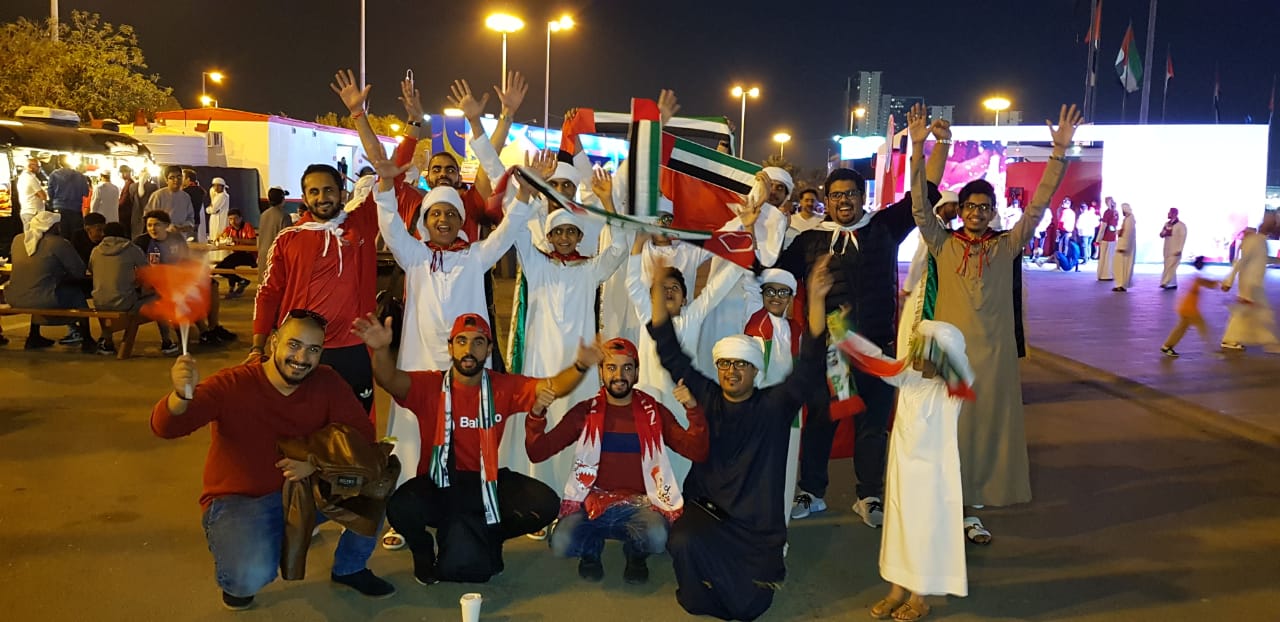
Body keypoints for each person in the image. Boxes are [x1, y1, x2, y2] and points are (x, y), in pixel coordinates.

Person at [910, 104, 1082, 544]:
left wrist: (1059, 152)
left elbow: (1039, 206)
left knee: (985, 434)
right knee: (947, 431)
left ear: (992, 212)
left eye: (984, 207)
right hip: (950, 358)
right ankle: (942, 504)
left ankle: (972, 509)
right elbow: (920, 208)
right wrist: (918, 148)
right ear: (961, 209)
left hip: (994, 357)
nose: (976, 213)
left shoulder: (1007, 246)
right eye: (970, 206)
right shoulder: (942, 243)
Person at [774, 102, 946, 531]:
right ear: (827, 201)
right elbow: (769, 270)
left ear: (861, 196)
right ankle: (811, 491)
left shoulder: (883, 228)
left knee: (872, 426)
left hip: (876, 349)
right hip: (826, 351)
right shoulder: (810, 240)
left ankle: (869, 494)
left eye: (850, 194)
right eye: (836, 196)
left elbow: (925, 191)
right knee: (821, 422)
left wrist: (929, 145)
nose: (844, 201)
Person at [151, 310, 395, 611]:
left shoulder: (327, 381)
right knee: (248, 577)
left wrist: (315, 459)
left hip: (307, 490)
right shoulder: (233, 383)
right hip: (242, 499)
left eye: (313, 349)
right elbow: (165, 428)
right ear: (274, 342)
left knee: (377, 479)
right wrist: (179, 396)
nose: (302, 358)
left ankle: (350, 567)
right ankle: (243, 568)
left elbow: (362, 435)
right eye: (294, 345)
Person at [351, 311, 600, 585]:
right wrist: (381, 350)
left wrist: (580, 365)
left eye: (478, 342)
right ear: (450, 347)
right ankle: (423, 552)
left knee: (545, 503)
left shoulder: (503, 386)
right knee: (399, 507)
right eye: (462, 341)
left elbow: (552, 387)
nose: (469, 349)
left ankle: (490, 536)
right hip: (439, 483)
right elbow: (388, 379)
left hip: (486, 482)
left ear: (489, 349)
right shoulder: (430, 385)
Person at [653, 254, 832, 622]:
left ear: (754, 371)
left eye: (741, 364)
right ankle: (703, 584)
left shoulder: (774, 407)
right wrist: (657, 292)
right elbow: (671, 352)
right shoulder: (709, 397)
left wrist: (815, 300)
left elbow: (811, 361)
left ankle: (725, 580)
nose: (731, 371)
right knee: (684, 550)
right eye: (725, 364)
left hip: (756, 530)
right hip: (710, 513)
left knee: (748, 609)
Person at [525, 338, 708, 584]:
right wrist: (537, 414)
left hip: (639, 506)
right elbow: (538, 452)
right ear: (601, 372)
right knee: (561, 542)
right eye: (611, 367)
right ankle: (591, 552)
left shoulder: (653, 412)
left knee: (657, 537)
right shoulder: (584, 412)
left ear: (637, 373)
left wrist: (693, 409)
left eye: (627, 368)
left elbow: (696, 451)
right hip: (592, 504)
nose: (619, 375)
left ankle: (635, 554)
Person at [501, 167, 631, 496]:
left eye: (571, 232)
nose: (564, 238)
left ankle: (576, 496)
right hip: (541, 364)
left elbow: (619, 248)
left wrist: (608, 202)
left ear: (579, 237)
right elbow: (515, 230)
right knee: (538, 425)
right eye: (557, 232)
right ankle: (536, 496)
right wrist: (530, 190)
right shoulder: (536, 264)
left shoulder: (589, 269)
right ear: (549, 236)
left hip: (579, 370)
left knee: (578, 432)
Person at [846, 321, 975, 622]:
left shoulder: (951, 389)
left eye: (922, 350)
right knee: (899, 529)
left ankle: (920, 598)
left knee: (923, 532)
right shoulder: (909, 376)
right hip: (902, 473)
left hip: (933, 478)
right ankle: (896, 591)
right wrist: (845, 335)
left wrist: (937, 345)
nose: (915, 356)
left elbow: (962, 374)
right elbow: (877, 361)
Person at [743, 269, 810, 524]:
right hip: (761, 413)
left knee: (786, 471)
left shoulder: (796, 329)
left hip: (789, 414)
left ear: (791, 297)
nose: (776, 297)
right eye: (770, 291)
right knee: (758, 473)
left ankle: (779, 530)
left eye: (783, 292)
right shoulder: (755, 325)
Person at [136, 210, 235, 352]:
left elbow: (185, 259)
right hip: (159, 284)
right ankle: (204, 331)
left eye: (157, 225)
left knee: (210, 284)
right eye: (149, 225)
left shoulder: (175, 238)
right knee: (184, 295)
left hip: (179, 277)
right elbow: (146, 269)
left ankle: (213, 327)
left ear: (166, 226)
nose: (152, 228)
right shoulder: (144, 243)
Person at [6, 211, 95, 352]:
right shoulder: (59, 243)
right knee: (76, 294)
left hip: (14, 296)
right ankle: (87, 338)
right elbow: (78, 270)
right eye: (57, 225)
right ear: (52, 227)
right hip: (45, 298)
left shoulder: (18, 240)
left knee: (36, 286)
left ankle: (34, 336)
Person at [897, 192, 959, 359]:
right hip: (926, 287)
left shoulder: (944, 228)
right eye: (953, 205)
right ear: (942, 206)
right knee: (917, 326)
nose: (956, 208)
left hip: (939, 286)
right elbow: (920, 258)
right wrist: (908, 287)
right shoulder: (934, 228)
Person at [1220, 214, 1280, 353]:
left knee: (1247, 312)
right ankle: (1269, 343)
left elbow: (1262, 258)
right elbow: (1241, 261)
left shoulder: (1260, 240)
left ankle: (1230, 340)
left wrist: (1277, 261)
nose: (1276, 227)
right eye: (1274, 224)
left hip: (1254, 283)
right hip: (1250, 283)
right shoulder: (1254, 240)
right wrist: (1228, 281)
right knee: (1257, 311)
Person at [89, 222, 151, 354]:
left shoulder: (96, 251)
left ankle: (107, 341)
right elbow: (147, 272)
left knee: (107, 296)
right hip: (125, 302)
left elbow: (91, 270)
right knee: (157, 297)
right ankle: (167, 341)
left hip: (99, 302)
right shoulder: (132, 249)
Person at [1160, 256, 1219, 357]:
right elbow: (1210, 284)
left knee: (1181, 329)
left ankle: (1166, 346)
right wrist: (1222, 282)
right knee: (1204, 328)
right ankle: (1213, 350)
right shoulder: (1198, 277)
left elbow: (1208, 283)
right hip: (1190, 310)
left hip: (1184, 307)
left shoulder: (1194, 275)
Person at [214, 209, 258, 297]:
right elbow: (221, 238)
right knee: (222, 267)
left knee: (225, 265)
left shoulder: (247, 226)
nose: (233, 221)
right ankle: (240, 282)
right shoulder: (228, 229)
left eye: (235, 218)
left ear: (241, 218)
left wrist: (237, 240)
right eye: (230, 219)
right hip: (236, 255)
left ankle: (237, 284)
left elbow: (253, 242)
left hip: (249, 255)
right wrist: (219, 239)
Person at [144, 166, 197, 240]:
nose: (176, 180)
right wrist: (165, 227)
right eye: (172, 177)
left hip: (180, 238)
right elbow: (149, 217)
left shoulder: (186, 197)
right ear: (166, 180)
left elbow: (190, 218)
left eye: (179, 177)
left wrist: (182, 227)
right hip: (160, 238)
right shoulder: (158, 195)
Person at [46, 155, 90, 241]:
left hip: (59, 209)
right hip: (75, 209)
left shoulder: (54, 175)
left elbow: (50, 192)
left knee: (61, 235)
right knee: (76, 236)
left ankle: (63, 249)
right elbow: (86, 193)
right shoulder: (80, 176)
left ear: (59, 162)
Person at [256, 187, 290, 279]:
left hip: (263, 256)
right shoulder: (284, 216)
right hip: (276, 257)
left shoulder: (263, 215)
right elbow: (287, 240)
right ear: (282, 199)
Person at [1159, 207, 1188, 289]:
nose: (1168, 214)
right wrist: (1163, 233)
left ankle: (1165, 282)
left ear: (1174, 214)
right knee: (1168, 266)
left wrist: (1179, 249)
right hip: (1167, 249)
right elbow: (1161, 234)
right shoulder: (1167, 224)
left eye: (1170, 212)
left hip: (1175, 249)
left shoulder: (1181, 225)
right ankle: (1172, 283)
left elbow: (1182, 238)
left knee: (1171, 266)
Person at [1113, 202, 1137, 292]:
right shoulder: (1127, 219)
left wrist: (1124, 246)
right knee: (1119, 265)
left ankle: (1122, 284)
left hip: (1125, 246)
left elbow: (1128, 234)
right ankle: (1120, 284)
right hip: (1123, 244)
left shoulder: (1130, 219)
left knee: (1123, 265)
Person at [17, 158, 46, 231]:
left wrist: (38, 194)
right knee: (34, 236)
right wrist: (42, 193)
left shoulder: (22, 177)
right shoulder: (31, 178)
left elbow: (34, 193)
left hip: (26, 211)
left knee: (28, 236)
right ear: (31, 166)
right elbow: (43, 196)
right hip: (33, 212)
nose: (39, 168)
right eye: (38, 166)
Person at [206, 177, 231, 259]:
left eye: (218, 185)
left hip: (220, 221)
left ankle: (220, 259)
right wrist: (210, 209)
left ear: (222, 186)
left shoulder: (222, 196)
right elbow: (212, 209)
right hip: (214, 220)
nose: (216, 188)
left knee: (220, 240)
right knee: (213, 239)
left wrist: (208, 209)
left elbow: (213, 209)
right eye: (214, 185)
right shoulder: (216, 196)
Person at [1096, 197, 1119, 280]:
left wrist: (1098, 239)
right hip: (1113, 237)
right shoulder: (1116, 213)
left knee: (1104, 257)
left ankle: (1103, 274)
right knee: (1111, 257)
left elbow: (1103, 227)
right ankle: (1110, 274)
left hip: (1106, 238)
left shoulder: (1107, 212)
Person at [183, 169, 208, 242]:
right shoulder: (199, 190)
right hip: (196, 220)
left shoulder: (186, 191)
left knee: (188, 243)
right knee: (193, 240)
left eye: (182, 177)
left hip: (187, 222)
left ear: (188, 179)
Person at [116, 165, 137, 236]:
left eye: (124, 172)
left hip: (125, 213)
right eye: (121, 172)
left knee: (126, 232)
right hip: (126, 212)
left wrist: (117, 206)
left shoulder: (130, 184)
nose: (122, 175)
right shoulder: (128, 183)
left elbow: (124, 200)